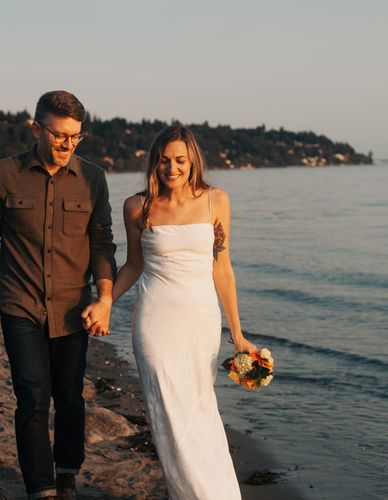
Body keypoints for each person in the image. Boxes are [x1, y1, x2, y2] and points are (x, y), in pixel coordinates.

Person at [0, 90, 116, 500]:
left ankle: (67, 469)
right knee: (32, 394)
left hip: (73, 308)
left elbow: (103, 243)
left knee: (70, 395)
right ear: (36, 129)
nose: (67, 144)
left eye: (75, 136)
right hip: (20, 303)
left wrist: (104, 298)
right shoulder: (4, 173)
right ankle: (41, 488)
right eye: (59, 135)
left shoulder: (93, 179)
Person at [111, 125, 257, 499]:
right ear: (153, 163)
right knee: (169, 414)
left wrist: (238, 336)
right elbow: (133, 265)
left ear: (193, 161)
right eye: (163, 160)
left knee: (199, 412)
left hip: (200, 322)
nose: (171, 168)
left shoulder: (215, 201)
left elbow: (222, 269)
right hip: (155, 322)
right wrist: (104, 300)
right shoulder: (137, 206)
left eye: (179, 160)